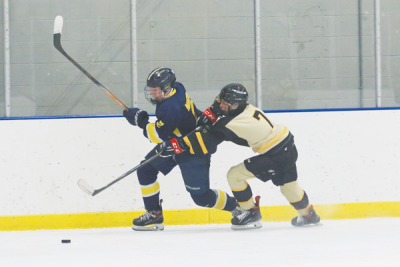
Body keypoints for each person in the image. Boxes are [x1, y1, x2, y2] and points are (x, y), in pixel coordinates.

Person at [165, 83, 321, 230]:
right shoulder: (245, 108)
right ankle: (308, 215)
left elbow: (206, 140)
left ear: (235, 105)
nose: (222, 105)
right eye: (222, 101)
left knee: (235, 175)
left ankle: (250, 212)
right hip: (288, 146)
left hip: (276, 154)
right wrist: (213, 111)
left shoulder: (230, 123)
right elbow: (225, 116)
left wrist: (177, 145)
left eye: (226, 103)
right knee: (289, 187)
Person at [123, 67, 238, 231]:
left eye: (156, 90)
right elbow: (169, 126)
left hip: (194, 148)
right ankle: (154, 214)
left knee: (201, 198)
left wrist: (140, 121)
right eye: (151, 90)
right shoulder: (178, 88)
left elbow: (155, 136)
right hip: (176, 143)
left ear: (167, 88)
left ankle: (239, 207)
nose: (153, 94)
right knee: (145, 170)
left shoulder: (170, 107)